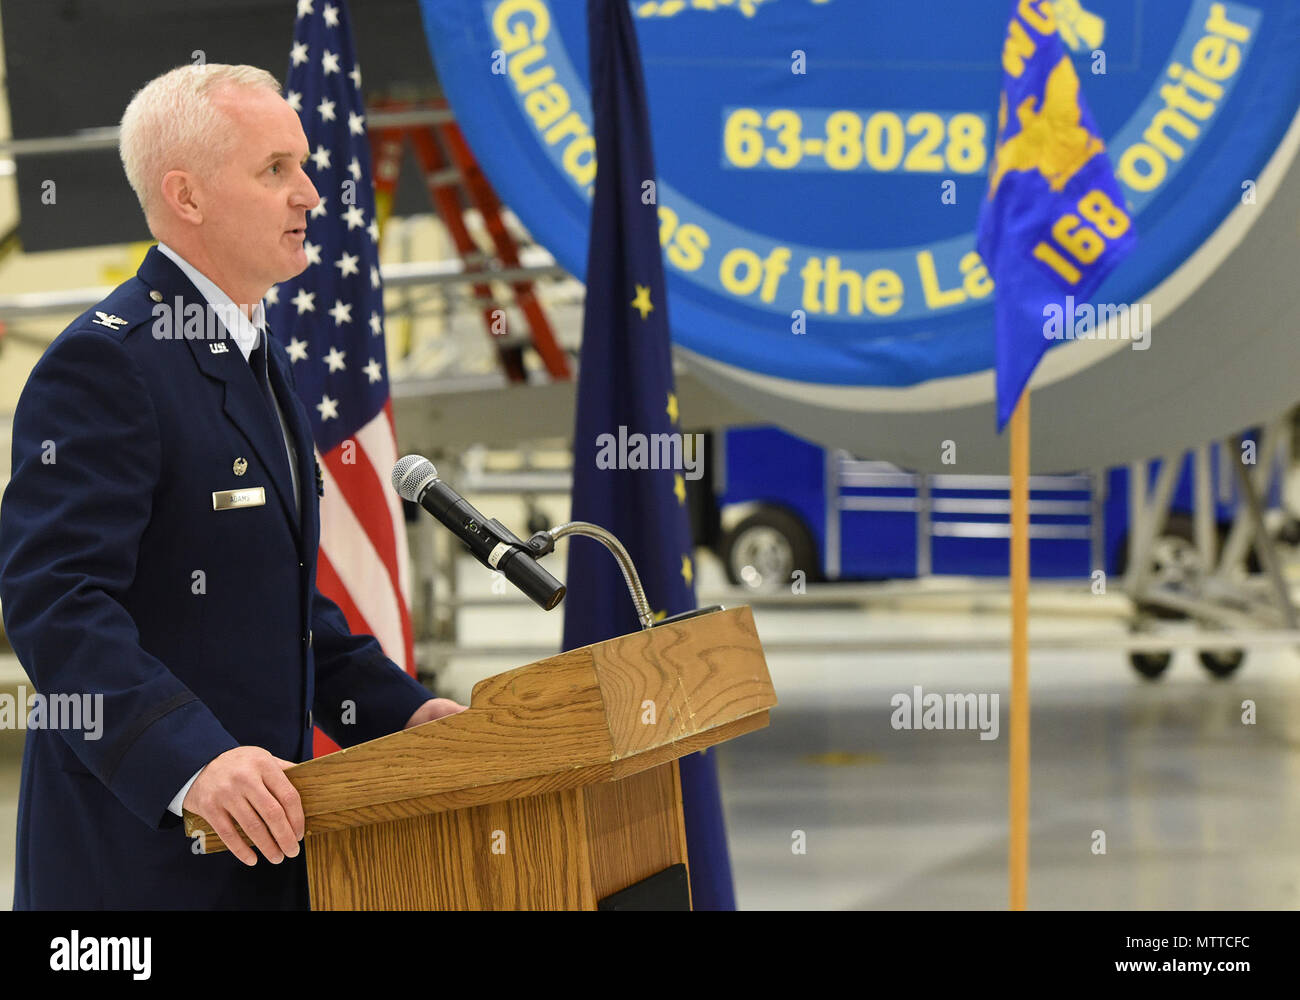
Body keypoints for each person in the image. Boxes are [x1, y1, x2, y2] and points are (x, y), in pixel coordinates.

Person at [0, 64, 464, 910]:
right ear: (188, 195)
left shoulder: (250, 349)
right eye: (275, 169)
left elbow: (278, 605)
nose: (311, 194)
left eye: (304, 165)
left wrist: (404, 715)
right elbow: (54, 601)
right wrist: (189, 758)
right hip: (140, 867)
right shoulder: (109, 362)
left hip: (263, 853)